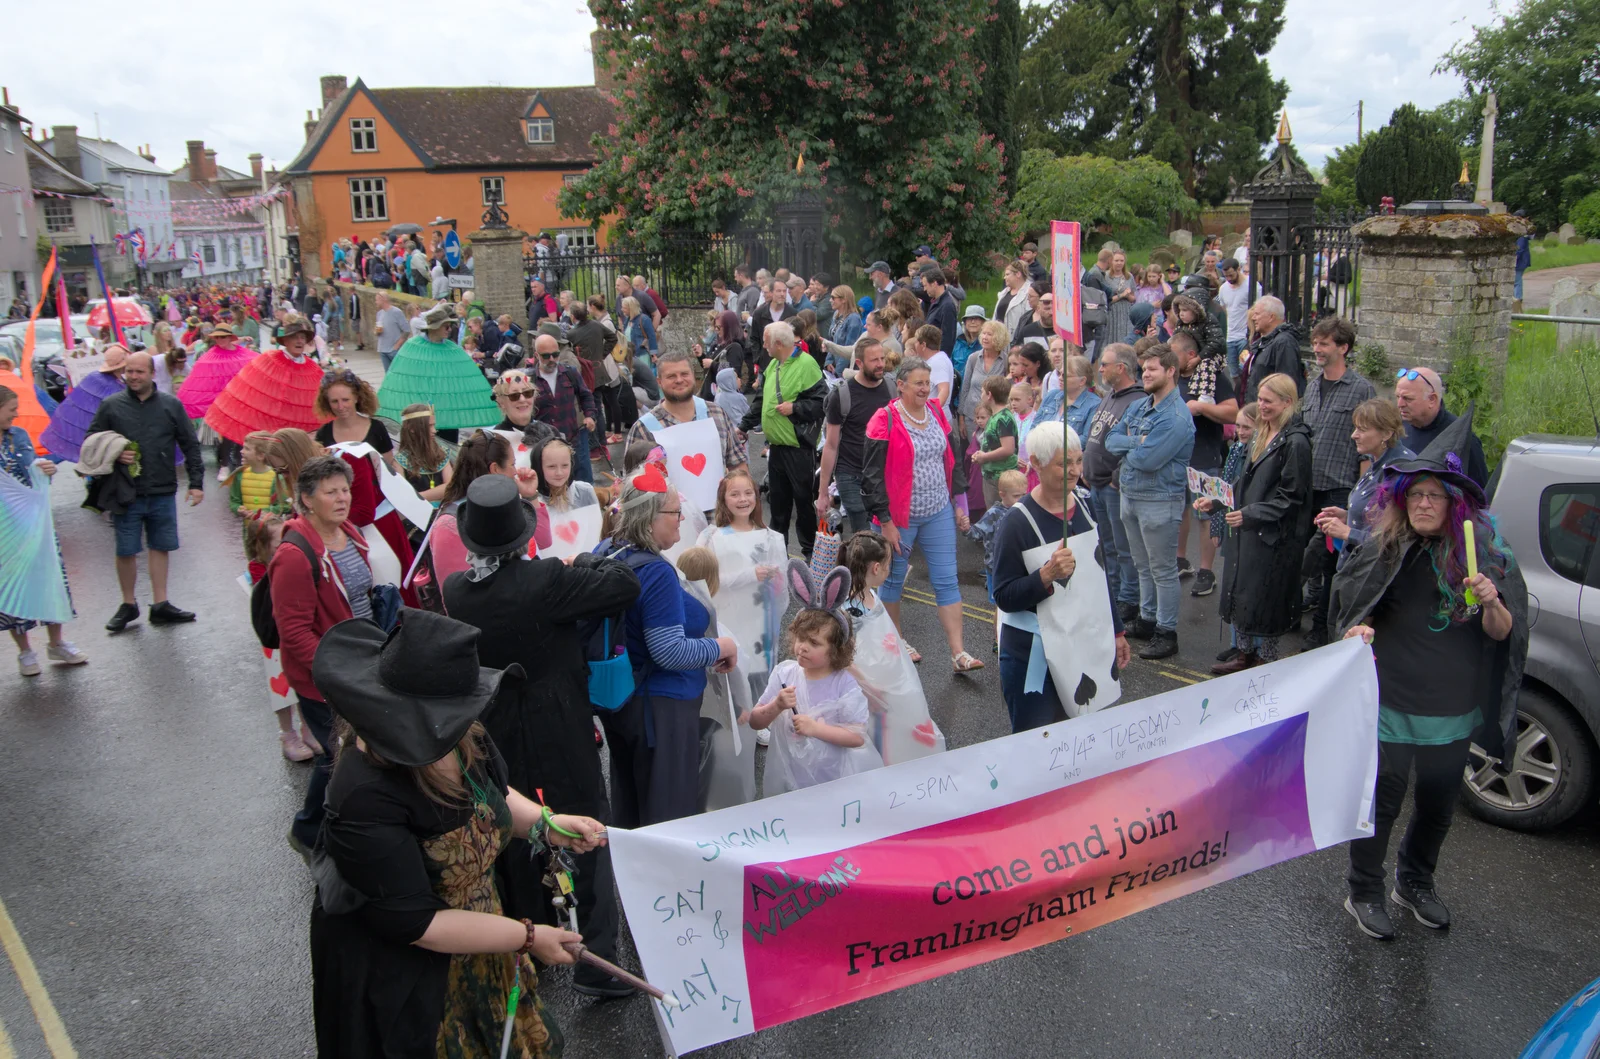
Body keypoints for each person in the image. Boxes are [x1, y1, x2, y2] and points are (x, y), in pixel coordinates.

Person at [307, 607, 601, 1056]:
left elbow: (496, 795)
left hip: (485, 931)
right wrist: (527, 937)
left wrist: (547, 825)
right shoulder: (362, 795)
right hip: (414, 974)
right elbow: (421, 924)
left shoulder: (463, 734)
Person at [441, 474, 642, 997]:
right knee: (585, 830)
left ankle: (529, 948)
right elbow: (624, 585)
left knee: (513, 830)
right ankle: (596, 964)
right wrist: (588, 562)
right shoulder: (547, 578)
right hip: (559, 726)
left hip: (495, 730)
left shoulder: (457, 590)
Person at [1333, 406, 1527, 941]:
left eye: (1434, 496)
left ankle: (1414, 883)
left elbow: (1501, 635)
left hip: (1452, 708)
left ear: (1453, 504)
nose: (1423, 503)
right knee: (1382, 803)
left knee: (1439, 805)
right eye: (1415, 495)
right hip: (1392, 700)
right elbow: (1355, 608)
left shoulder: (1485, 555)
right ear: (1401, 501)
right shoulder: (1384, 548)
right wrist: (1358, 630)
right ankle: (1364, 891)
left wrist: (1490, 600)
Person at [600, 469, 740, 827]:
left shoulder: (608, 549)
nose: (681, 519)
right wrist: (721, 645)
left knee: (633, 801)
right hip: (659, 710)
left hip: (625, 700)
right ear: (650, 518)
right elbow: (669, 652)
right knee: (669, 813)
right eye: (675, 512)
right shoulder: (656, 572)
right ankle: (672, 883)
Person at [992, 421, 1129, 732]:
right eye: (1063, 463)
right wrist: (1045, 575)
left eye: (1078, 460)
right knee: (1038, 743)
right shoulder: (1016, 524)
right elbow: (1003, 596)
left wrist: (1117, 632)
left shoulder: (1086, 504)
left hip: (1080, 644)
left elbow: (1100, 575)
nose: (1074, 470)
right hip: (1033, 658)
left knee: (1080, 740)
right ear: (1036, 463)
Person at [270, 454, 375, 861]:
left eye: (345, 489)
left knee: (349, 751)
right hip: (323, 677)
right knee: (339, 754)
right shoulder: (295, 555)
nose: (342, 498)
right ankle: (309, 828)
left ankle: (339, 823)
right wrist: (336, 671)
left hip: (358, 660)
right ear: (307, 499)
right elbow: (293, 631)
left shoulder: (348, 532)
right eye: (330, 492)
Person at [862, 356, 982, 672]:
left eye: (928, 383)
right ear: (900, 385)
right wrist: (885, 523)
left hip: (938, 510)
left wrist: (959, 504)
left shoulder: (936, 413)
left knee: (947, 580)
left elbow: (952, 459)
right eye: (919, 383)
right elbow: (871, 476)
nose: (925, 389)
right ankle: (897, 640)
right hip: (898, 518)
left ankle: (958, 653)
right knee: (892, 581)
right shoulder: (883, 419)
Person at [1201, 373, 1313, 673]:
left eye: (1268, 401)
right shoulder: (1264, 432)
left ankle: (1266, 661)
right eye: (1260, 399)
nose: (1260, 406)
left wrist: (1251, 515)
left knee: (1265, 600)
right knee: (1244, 593)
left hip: (1275, 536)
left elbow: (1292, 497)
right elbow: (1242, 482)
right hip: (1252, 529)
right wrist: (1216, 501)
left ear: (1287, 402)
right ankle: (1245, 655)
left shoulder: (1296, 443)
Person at [91, 352, 206, 632]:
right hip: (125, 491)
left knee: (160, 545)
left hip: (162, 489)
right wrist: (116, 454)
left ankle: (160, 604)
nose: (133, 377)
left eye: (139, 372)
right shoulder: (110, 406)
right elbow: (92, 441)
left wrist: (196, 483)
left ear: (152, 373)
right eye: (129, 372)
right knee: (126, 549)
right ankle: (128, 604)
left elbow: (190, 444)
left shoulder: (170, 404)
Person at [1105, 343, 1195, 660]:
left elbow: (1148, 459)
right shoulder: (1141, 405)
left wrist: (1133, 446)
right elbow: (1110, 440)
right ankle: (1147, 618)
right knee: (1143, 566)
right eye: (1144, 369)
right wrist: (1136, 441)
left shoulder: (1176, 418)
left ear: (1171, 371)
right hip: (1130, 496)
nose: (1146, 373)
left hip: (1159, 501)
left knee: (1162, 570)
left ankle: (1166, 632)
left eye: (1152, 369)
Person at [749, 590, 882, 793]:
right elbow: (755, 722)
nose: (802, 647)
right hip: (790, 778)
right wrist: (776, 705)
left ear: (836, 649)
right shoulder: (785, 673)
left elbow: (856, 737)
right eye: (800, 638)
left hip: (831, 780)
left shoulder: (844, 684)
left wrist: (816, 729)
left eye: (814, 643)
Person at [1299, 317, 1378, 646]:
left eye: (1324, 343)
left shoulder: (1361, 389)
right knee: (1306, 557)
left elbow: (1366, 451)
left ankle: (1321, 628)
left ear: (1343, 348)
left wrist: (1356, 497)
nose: (1317, 348)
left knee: (1332, 562)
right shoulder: (1313, 384)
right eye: (1315, 342)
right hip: (1307, 487)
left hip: (1339, 488)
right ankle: (1304, 605)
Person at [0, 385, 89, 677]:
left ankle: (56, 642)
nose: (16, 414)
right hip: (5, 531)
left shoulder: (19, 436)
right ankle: (25, 651)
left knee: (48, 576)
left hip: (33, 522)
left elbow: (31, 468)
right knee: (13, 585)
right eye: (11, 409)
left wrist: (44, 468)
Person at [697, 469, 789, 705]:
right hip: (728, 617)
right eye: (735, 494)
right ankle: (733, 712)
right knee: (731, 665)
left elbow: (782, 586)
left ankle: (759, 712)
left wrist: (776, 580)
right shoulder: (712, 538)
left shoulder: (771, 538)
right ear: (723, 500)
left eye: (748, 493)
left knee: (759, 665)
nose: (743, 499)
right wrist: (751, 575)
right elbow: (707, 580)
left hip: (759, 618)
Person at [741, 321, 827, 560]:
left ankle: (811, 554)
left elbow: (822, 403)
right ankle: (778, 554)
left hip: (798, 447)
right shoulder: (772, 364)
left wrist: (796, 407)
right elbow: (760, 401)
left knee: (803, 503)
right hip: (776, 447)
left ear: (778, 344)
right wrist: (743, 427)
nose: (763, 346)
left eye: (766, 342)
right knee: (778, 505)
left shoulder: (806, 364)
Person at [1170, 329, 1237, 596]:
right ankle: (1181, 560)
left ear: (1191, 354)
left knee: (1205, 514)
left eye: (1174, 356)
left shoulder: (1213, 375)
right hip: (1176, 456)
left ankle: (1207, 571)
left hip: (1204, 454)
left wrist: (1200, 408)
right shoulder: (1172, 376)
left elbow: (1232, 412)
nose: (1170, 362)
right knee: (1180, 509)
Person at [626, 349, 748, 494]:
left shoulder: (717, 414)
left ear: (693, 376)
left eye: (684, 374)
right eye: (671, 376)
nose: (679, 380)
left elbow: (738, 465)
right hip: (670, 515)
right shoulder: (643, 428)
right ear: (659, 382)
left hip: (719, 515)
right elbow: (631, 486)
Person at [1315, 398, 1414, 567]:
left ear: (1386, 433)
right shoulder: (1377, 462)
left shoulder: (1399, 470)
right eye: (1355, 428)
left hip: (1374, 577)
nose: (1354, 435)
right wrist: (1348, 516)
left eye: (1362, 429)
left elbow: (1397, 539)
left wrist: (1348, 533)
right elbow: (1373, 518)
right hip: (1357, 569)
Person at [377, 303, 500, 434]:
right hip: (424, 415)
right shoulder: (413, 347)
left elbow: (463, 377)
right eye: (446, 326)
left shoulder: (452, 349)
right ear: (434, 327)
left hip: (448, 412)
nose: (449, 330)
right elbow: (403, 380)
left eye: (450, 326)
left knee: (449, 444)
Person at [816, 339, 893, 535]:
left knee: (884, 532)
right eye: (874, 360)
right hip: (850, 474)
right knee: (865, 532)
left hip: (883, 474)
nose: (880, 364)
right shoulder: (842, 395)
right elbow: (831, 445)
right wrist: (823, 493)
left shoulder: (892, 389)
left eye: (882, 358)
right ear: (859, 363)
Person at [177, 323, 255, 479]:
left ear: (230, 337)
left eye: (223, 337)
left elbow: (254, 368)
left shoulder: (244, 354)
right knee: (227, 433)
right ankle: (225, 466)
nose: (220, 340)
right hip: (223, 400)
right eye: (217, 337)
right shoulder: (211, 355)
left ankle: (239, 464)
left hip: (241, 398)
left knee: (241, 432)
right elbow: (201, 375)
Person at [1395, 366, 1489, 488]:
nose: (1400, 404)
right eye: (1398, 397)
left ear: (1432, 399)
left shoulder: (1462, 439)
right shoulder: (1397, 428)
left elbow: (1479, 496)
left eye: (1407, 398)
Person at [527, 334, 598, 484]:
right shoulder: (529, 379)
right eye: (546, 356)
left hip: (573, 438)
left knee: (582, 482)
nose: (552, 359)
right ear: (536, 355)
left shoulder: (570, 373)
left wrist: (590, 415)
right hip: (545, 444)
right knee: (552, 485)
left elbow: (586, 395)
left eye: (555, 354)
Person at [1240, 295, 1305, 401]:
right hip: (1257, 409)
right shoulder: (1266, 341)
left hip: (1269, 412)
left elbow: (1286, 384)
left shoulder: (1284, 342)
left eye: (1257, 314)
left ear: (1271, 317)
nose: (1253, 318)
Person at [973, 374, 1020, 507]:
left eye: (982, 391)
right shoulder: (995, 416)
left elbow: (1008, 449)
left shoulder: (1003, 418)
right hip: (991, 475)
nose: (980, 394)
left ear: (989, 395)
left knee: (997, 515)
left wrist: (984, 457)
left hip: (999, 477)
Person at [394, 404, 453, 504]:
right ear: (412, 428)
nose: (434, 430)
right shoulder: (399, 461)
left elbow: (450, 487)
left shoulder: (442, 454)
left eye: (434, 425)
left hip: (441, 514)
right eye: (429, 426)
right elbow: (403, 496)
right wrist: (436, 493)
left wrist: (418, 496)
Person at [695, 311, 749, 397]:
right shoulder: (717, 344)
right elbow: (708, 366)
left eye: (719, 327)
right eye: (715, 326)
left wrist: (712, 364)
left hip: (723, 396)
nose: (716, 330)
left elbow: (733, 370)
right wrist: (701, 356)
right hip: (710, 393)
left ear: (729, 327)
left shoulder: (735, 347)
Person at [619, 296, 660, 402]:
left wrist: (653, 354)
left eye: (624, 308)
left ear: (631, 308)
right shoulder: (627, 319)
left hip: (641, 354)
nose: (622, 310)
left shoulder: (644, 319)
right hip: (631, 354)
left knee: (643, 376)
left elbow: (651, 336)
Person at [1217, 258, 1250, 378]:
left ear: (1239, 269)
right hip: (1230, 337)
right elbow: (1224, 310)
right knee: (1234, 374)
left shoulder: (1251, 285)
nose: (1229, 279)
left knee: (1245, 370)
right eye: (1226, 276)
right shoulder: (1223, 289)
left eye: (1231, 275)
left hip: (1244, 336)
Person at [994, 260, 1034, 341]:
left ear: (1018, 274)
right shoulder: (1003, 293)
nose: (1004, 277)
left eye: (1007, 274)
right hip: (999, 340)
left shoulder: (1029, 293)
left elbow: (1030, 320)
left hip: (1018, 341)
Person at [372, 291, 407, 372]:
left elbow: (406, 330)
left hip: (394, 350)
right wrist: (376, 331)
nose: (375, 302)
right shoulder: (379, 314)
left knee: (398, 373)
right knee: (388, 375)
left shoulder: (397, 312)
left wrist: (397, 346)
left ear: (383, 299)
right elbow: (376, 329)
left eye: (377, 300)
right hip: (382, 349)